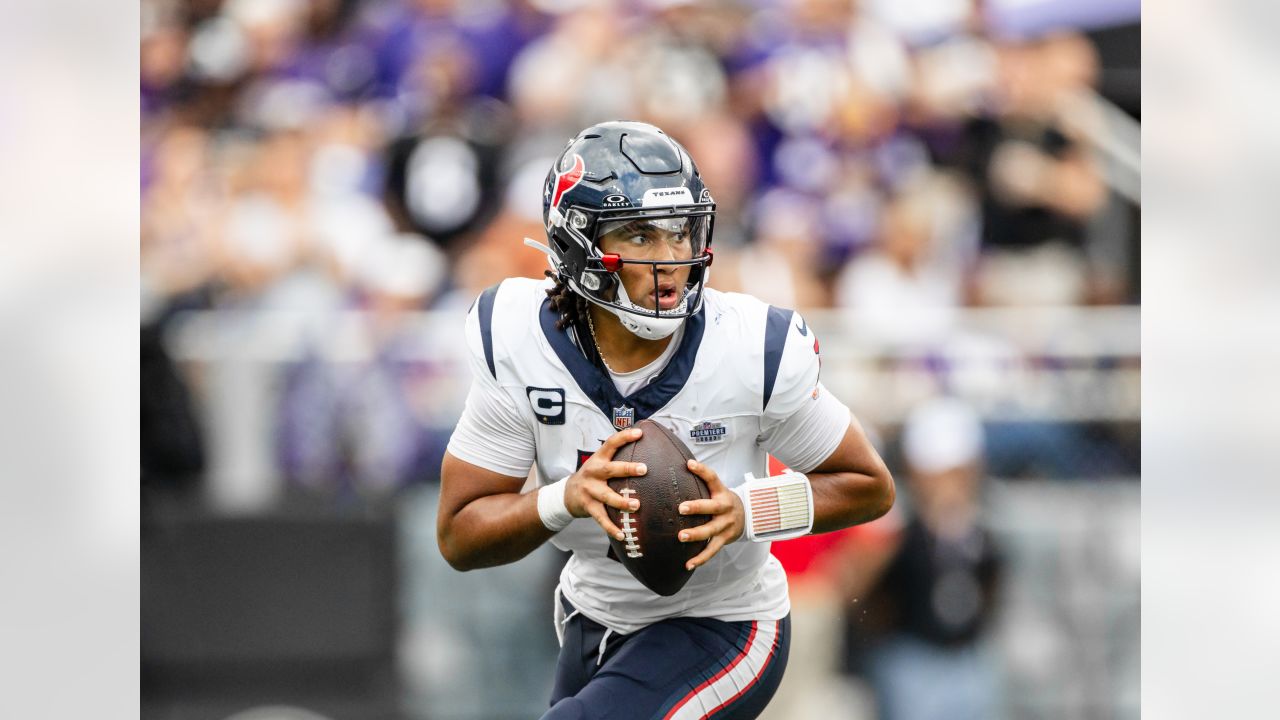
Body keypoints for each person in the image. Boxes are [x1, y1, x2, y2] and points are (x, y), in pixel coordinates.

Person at [436, 121, 895, 720]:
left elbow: (868, 486)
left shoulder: (748, 347)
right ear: (577, 243)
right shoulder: (520, 341)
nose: (670, 260)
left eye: (680, 232)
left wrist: (746, 512)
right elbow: (459, 533)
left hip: (726, 623)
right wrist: (563, 499)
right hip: (593, 617)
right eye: (639, 235)